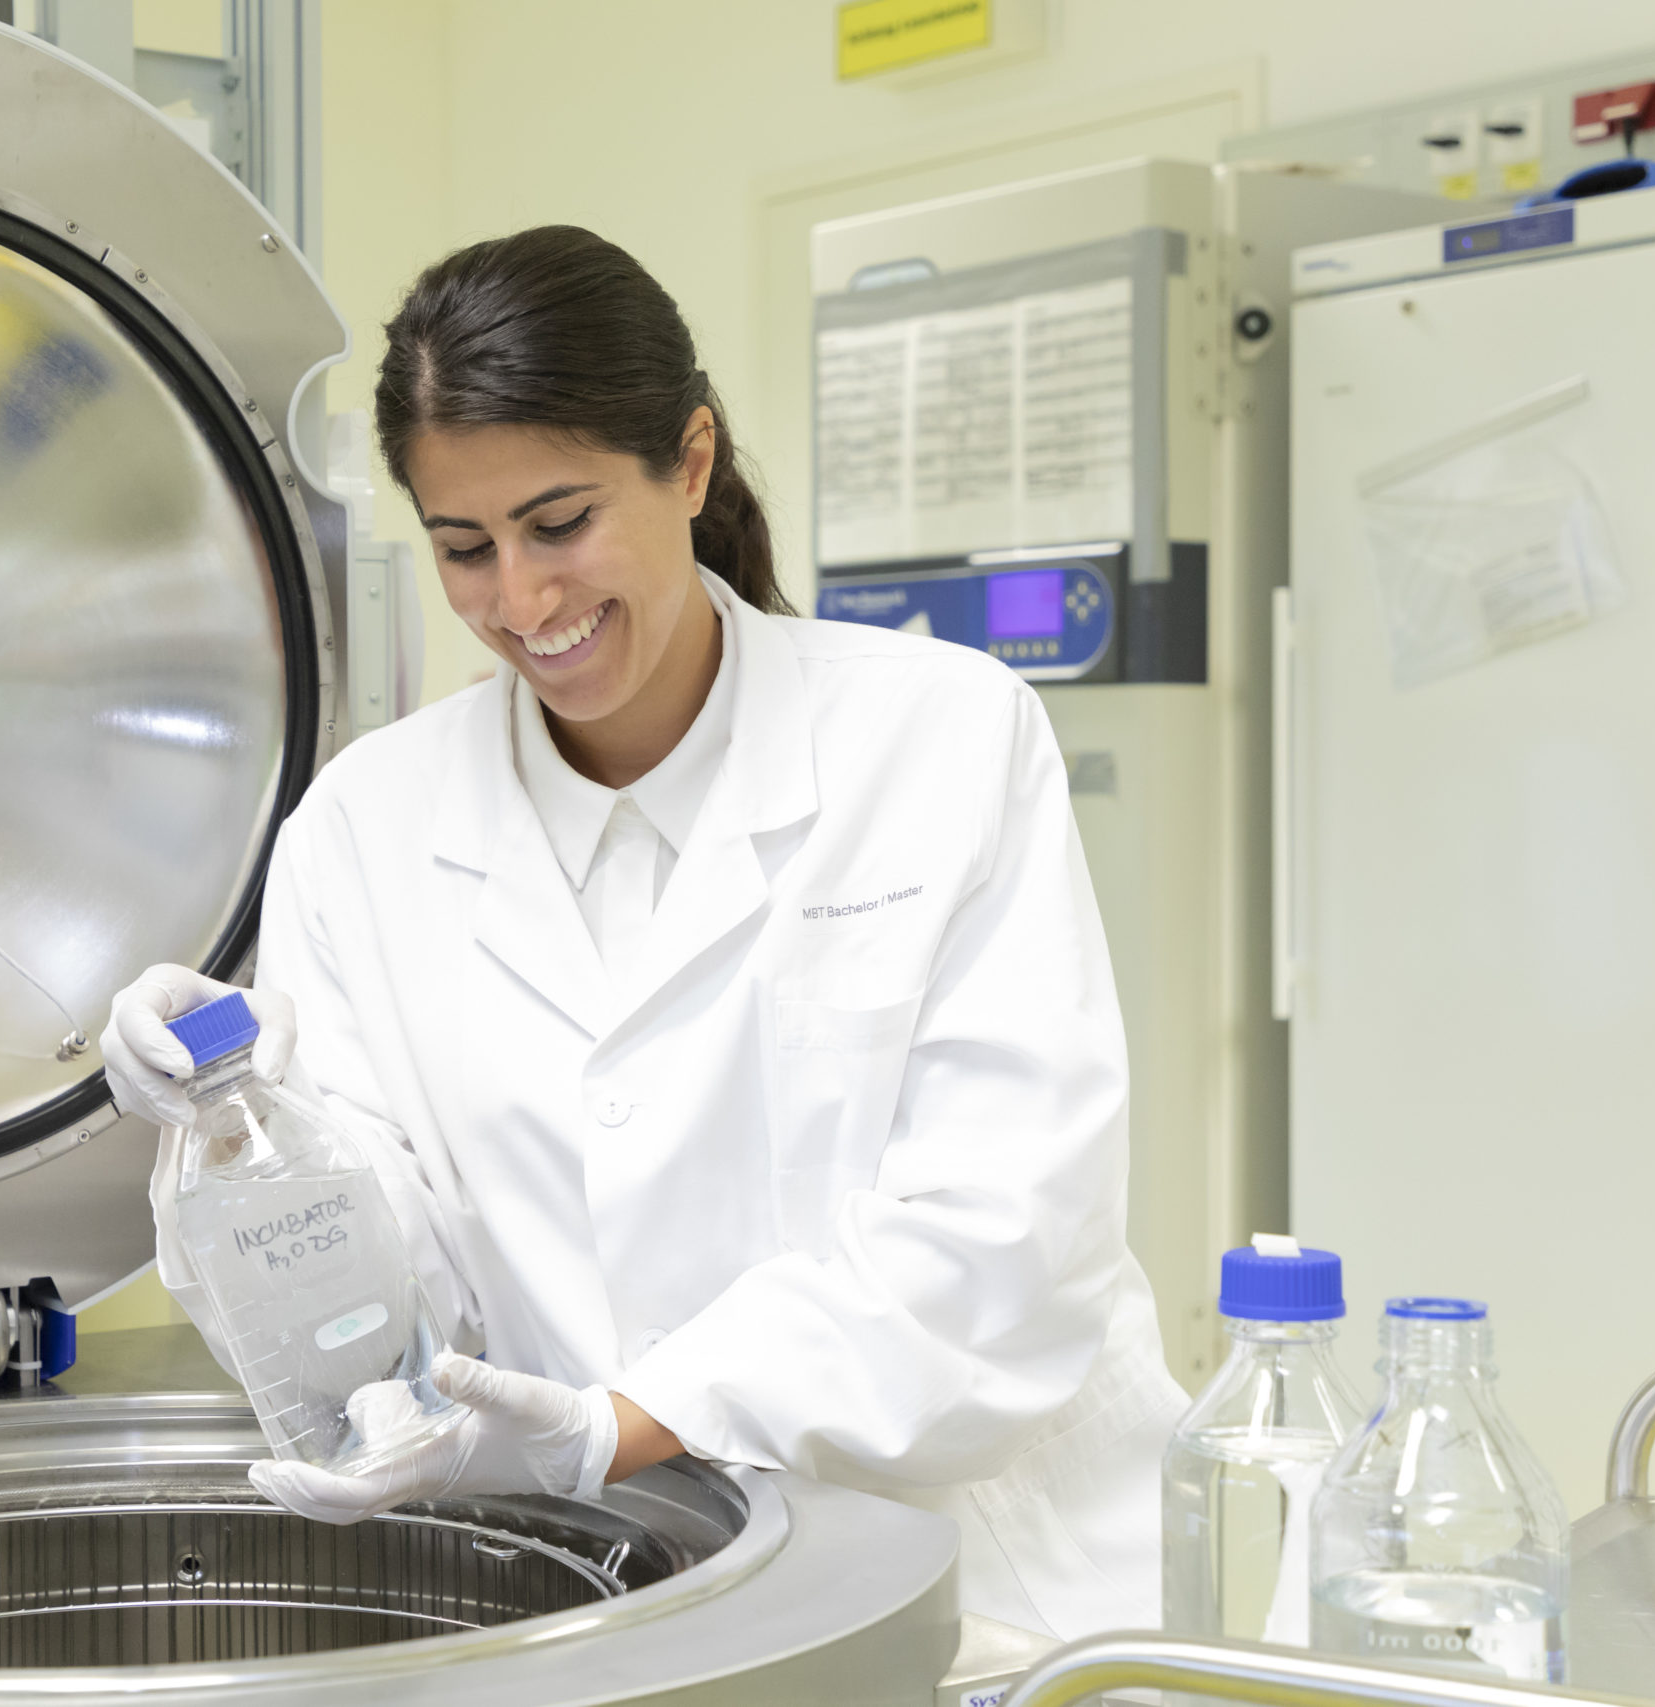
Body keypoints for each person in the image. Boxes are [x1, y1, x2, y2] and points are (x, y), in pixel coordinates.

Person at [101, 224, 1186, 1639]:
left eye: (561, 524)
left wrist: (626, 1419)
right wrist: (228, 1139)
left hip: (985, 1583)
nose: (523, 601)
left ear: (689, 462)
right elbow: (379, 1296)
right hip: (605, 1599)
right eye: (463, 549)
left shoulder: (943, 739)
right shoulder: (364, 830)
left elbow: (1005, 1242)